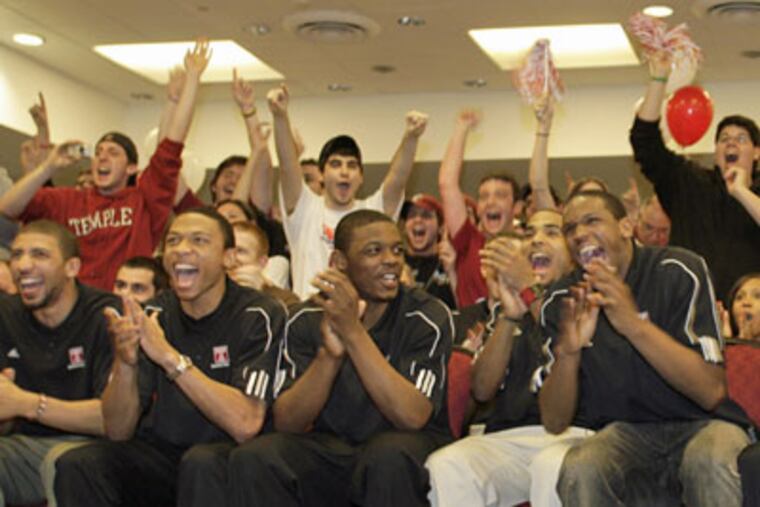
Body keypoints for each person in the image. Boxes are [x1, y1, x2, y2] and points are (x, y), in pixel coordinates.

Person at [54, 208, 287, 507]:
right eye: (173, 241)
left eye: (199, 240)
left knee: (201, 462)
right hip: (164, 455)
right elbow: (117, 429)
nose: (182, 249)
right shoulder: (153, 314)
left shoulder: (259, 314)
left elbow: (245, 423)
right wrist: (125, 363)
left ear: (228, 258)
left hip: (231, 459)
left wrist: (169, 357)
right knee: (80, 463)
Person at [538, 190, 750, 506]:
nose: (580, 234)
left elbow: (712, 391)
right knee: (581, 467)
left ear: (626, 227)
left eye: (592, 220)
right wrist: (569, 353)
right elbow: (554, 422)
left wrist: (633, 325)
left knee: (710, 458)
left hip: (705, 424)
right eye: (570, 229)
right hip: (625, 433)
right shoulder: (563, 298)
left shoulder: (679, 269)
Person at [228, 209, 452, 507]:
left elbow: (412, 417)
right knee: (256, 457)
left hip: (407, 444)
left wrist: (352, 332)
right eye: (374, 251)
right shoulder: (304, 318)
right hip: (331, 445)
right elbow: (288, 422)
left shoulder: (426, 315)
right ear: (339, 263)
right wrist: (329, 356)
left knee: (387, 456)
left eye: (397, 250)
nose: (391, 260)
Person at [0, 39, 210, 291]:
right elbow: (8, 207)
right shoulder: (70, 200)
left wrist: (190, 85)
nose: (102, 157)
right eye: (98, 152)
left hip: (123, 305)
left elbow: (170, 144)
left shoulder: (144, 200)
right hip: (76, 312)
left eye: (113, 153)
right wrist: (48, 167)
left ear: (132, 168)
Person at [426, 209, 591, 507]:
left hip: (576, 434)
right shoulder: (510, 305)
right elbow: (481, 389)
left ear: (572, 252)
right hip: (510, 439)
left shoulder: (585, 296)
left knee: (551, 466)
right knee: (449, 463)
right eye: (529, 234)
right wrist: (509, 317)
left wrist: (531, 291)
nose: (537, 240)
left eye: (551, 232)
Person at [268, 84, 427, 299]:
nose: (344, 172)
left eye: (352, 166)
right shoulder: (305, 209)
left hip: (360, 319)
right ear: (321, 174)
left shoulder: (372, 214)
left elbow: (397, 179)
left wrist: (411, 137)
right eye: (335, 164)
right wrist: (280, 116)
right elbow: (288, 165)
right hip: (309, 318)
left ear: (361, 177)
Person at [0, 220, 117, 507]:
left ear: (72, 267)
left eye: (39, 254)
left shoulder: (108, 316)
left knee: (66, 463)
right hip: (22, 447)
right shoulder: (5, 314)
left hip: (96, 448)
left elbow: (112, 420)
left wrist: (26, 403)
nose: (23, 265)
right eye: (16, 255)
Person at [632, 50, 760, 302]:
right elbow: (645, 142)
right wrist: (659, 79)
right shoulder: (690, 183)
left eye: (741, 139)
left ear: (757, 153)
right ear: (715, 153)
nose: (731, 144)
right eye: (724, 139)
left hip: (750, 320)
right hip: (688, 312)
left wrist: (741, 192)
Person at [438, 110, 521, 307]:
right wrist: (461, 128)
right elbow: (447, 184)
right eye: (484, 197)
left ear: (517, 207)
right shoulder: (469, 241)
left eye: (500, 195)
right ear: (478, 208)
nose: (491, 202)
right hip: (472, 334)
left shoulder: (527, 248)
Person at [402, 193, 456, 308]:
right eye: (411, 215)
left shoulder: (451, 264)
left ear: (441, 227)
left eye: (426, 216)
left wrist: (452, 272)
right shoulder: (395, 264)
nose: (417, 220)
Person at [229, 221, 299, 307]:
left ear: (262, 262)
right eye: (227, 249)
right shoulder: (210, 294)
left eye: (240, 251)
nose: (231, 257)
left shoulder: (285, 301)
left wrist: (255, 297)